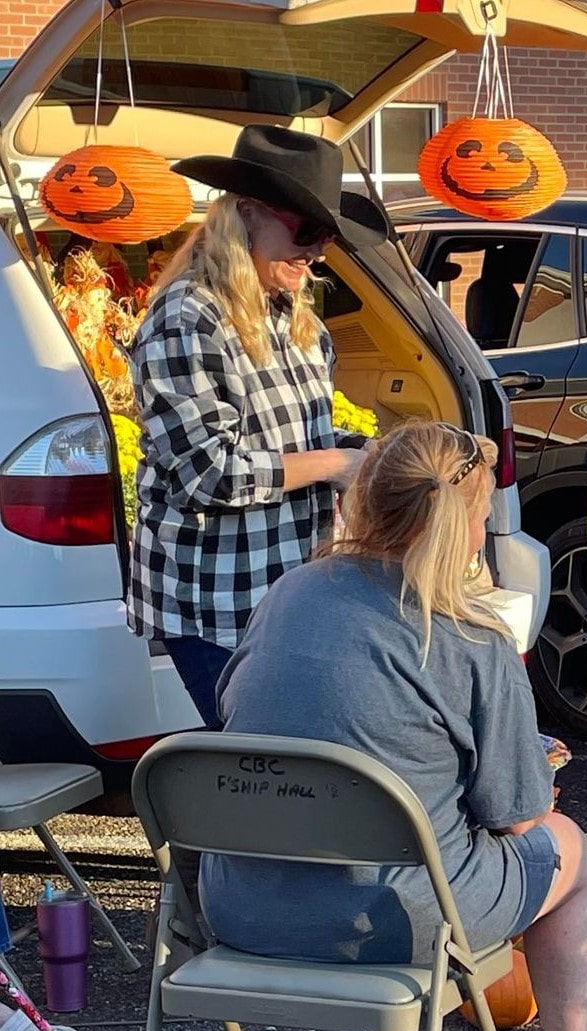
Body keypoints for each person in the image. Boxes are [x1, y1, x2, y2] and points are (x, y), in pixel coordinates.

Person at [201, 421, 587, 1031]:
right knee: (566, 850)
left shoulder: (290, 593)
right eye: (482, 515)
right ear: (463, 523)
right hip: (396, 923)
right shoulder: (470, 634)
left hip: (243, 903)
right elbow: (519, 813)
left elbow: (241, 713)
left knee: (368, 823)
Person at [127, 125, 385, 725]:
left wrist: (373, 455)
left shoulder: (297, 320)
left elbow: (300, 441)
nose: (317, 253)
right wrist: (338, 464)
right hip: (216, 600)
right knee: (258, 761)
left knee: (291, 762)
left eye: (327, 237)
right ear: (246, 214)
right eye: (306, 231)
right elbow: (210, 474)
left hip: (291, 589)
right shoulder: (186, 318)